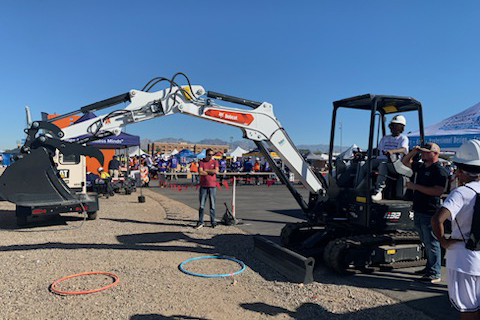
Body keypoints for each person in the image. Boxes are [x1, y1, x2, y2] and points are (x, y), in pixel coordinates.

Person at [431, 140, 480, 319]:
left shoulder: (461, 193)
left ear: (460, 171)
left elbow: (437, 220)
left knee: (468, 310)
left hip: (464, 260)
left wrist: (443, 241)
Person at [402, 142, 449, 283]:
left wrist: (415, 186)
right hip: (419, 209)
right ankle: (429, 267)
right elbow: (405, 161)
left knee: (431, 242)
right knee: (425, 241)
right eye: (422, 152)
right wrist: (413, 151)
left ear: (435, 154)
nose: (423, 154)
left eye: (425, 152)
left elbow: (437, 191)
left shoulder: (439, 171)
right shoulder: (421, 167)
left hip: (430, 211)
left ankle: (434, 272)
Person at [358, 115, 409, 200]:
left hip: (394, 162)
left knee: (383, 165)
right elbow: (378, 150)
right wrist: (364, 152)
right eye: (393, 126)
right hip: (380, 159)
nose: (394, 128)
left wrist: (392, 152)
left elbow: (404, 149)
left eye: (397, 126)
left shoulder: (403, 138)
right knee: (363, 165)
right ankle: (359, 188)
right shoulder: (385, 138)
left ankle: (378, 191)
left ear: (401, 128)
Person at [194, 149, 219, 229]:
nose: (211, 156)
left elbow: (216, 171)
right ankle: (200, 221)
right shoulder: (202, 162)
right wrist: (210, 172)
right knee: (201, 205)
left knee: (212, 205)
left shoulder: (215, 162)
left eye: (212, 155)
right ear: (206, 155)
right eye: (209, 154)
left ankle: (213, 221)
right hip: (203, 186)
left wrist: (207, 171)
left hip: (212, 185)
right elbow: (200, 172)